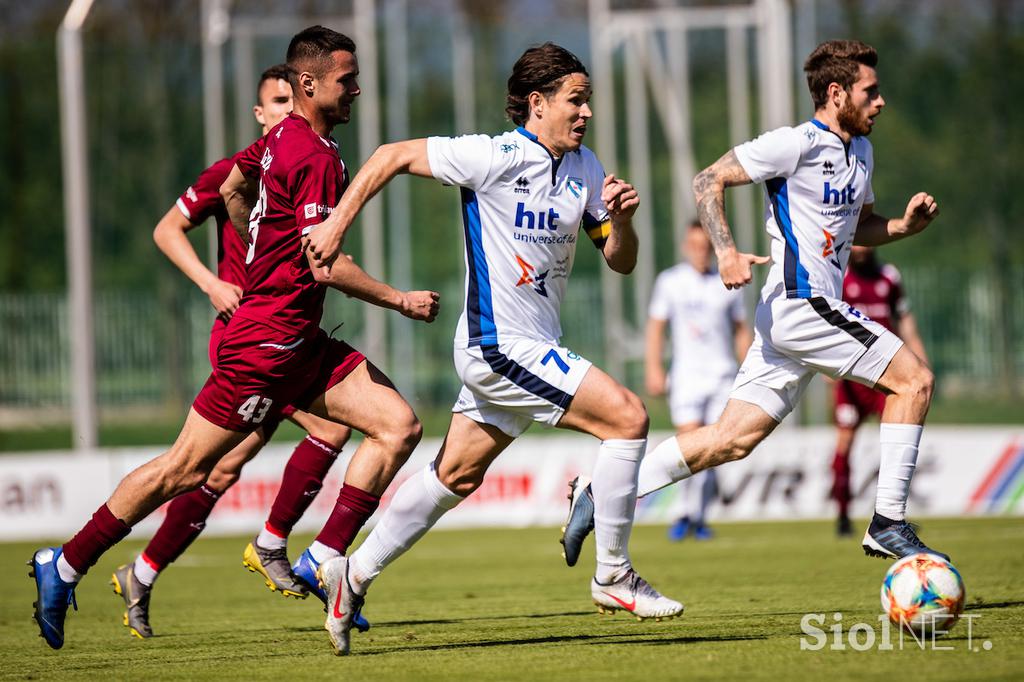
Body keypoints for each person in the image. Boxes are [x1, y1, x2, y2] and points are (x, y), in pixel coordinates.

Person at [29, 26, 439, 651]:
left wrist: (253, 228)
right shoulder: (315, 156)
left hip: (299, 339)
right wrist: (400, 299)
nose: (356, 88)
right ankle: (65, 564)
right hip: (266, 342)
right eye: (345, 79)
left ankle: (320, 555)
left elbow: (235, 185)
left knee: (398, 425)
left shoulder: (283, 139)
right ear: (309, 83)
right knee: (187, 469)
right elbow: (325, 261)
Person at [303, 42, 684, 656]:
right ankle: (613, 574)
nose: (586, 113)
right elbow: (390, 156)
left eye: (588, 102)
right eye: (576, 100)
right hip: (496, 345)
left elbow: (618, 260)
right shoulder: (492, 155)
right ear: (537, 103)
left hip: (529, 347)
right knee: (629, 418)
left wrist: (623, 220)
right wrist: (336, 224)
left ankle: (352, 573)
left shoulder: (586, 167)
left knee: (455, 474)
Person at [560, 39, 946, 571]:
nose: (880, 102)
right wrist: (723, 251)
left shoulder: (861, 152)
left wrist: (902, 227)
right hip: (801, 305)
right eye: (870, 92)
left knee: (729, 441)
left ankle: (600, 494)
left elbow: (856, 227)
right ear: (836, 93)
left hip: (793, 319)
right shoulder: (794, 144)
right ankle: (888, 524)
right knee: (916, 381)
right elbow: (708, 179)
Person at [107, 64, 356, 640]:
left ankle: (147, 571)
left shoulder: (300, 158)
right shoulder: (239, 169)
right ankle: (272, 545)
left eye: (285, 99)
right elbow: (168, 229)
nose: (282, 109)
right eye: (274, 101)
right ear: (261, 110)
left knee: (222, 466)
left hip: (283, 332)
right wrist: (212, 283)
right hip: (249, 335)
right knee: (222, 461)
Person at [644, 221, 752, 541]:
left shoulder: (727, 281)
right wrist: (654, 368)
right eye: (694, 245)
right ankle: (684, 512)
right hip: (687, 376)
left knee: (714, 447)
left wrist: (748, 371)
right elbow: (655, 327)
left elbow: (742, 330)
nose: (700, 251)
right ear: (685, 246)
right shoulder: (670, 282)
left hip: (721, 375)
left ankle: (699, 516)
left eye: (705, 245)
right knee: (688, 444)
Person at [830, 245, 928, 536]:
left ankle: (891, 515)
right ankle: (843, 514)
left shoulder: (889, 277)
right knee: (844, 444)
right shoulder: (841, 278)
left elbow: (905, 322)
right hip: (850, 378)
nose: (861, 247)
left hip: (887, 376)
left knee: (895, 441)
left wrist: (919, 361)